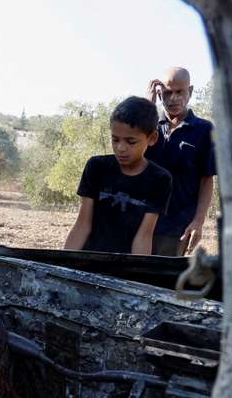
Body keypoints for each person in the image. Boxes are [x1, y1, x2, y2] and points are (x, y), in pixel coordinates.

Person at [64, 97, 172, 254]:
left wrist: (134, 272)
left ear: (152, 138)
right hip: (89, 259)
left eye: (131, 141)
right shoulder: (96, 167)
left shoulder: (160, 179)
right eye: (115, 139)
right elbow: (82, 224)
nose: (121, 148)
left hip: (124, 264)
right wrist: (65, 264)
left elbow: (144, 235)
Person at [145, 67, 217, 256]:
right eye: (167, 92)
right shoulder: (147, 127)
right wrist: (147, 107)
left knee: (164, 282)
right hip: (140, 224)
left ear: (190, 92)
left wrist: (198, 220)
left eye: (179, 92)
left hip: (177, 229)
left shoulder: (204, 130)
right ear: (159, 93)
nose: (173, 98)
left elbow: (206, 179)